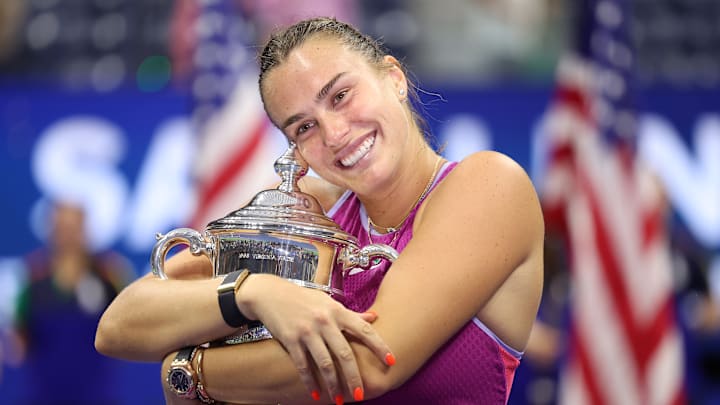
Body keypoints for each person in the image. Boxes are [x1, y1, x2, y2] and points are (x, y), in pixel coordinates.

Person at [95, 16, 544, 405]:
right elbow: (118, 324)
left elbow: (370, 364)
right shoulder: (311, 215)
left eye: (341, 96)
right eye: (304, 127)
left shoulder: (489, 184)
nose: (334, 133)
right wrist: (253, 293)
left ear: (394, 78)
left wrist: (189, 371)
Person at [14, 201, 133, 404]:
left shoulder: (109, 274)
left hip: (98, 394)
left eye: (73, 227)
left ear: (84, 229)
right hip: (43, 395)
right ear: (52, 230)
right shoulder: (33, 277)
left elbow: (130, 324)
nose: (68, 235)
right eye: (62, 227)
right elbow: (20, 338)